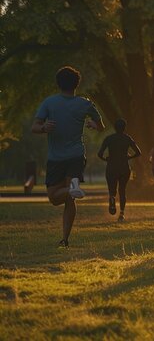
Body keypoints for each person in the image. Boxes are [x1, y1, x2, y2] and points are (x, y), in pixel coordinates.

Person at [31, 66, 105, 248]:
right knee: (57, 197)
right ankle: (73, 189)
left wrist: (42, 128)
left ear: (58, 83)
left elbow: (34, 127)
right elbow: (101, 125)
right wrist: (93, 125)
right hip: (63, 157)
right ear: (76, 84)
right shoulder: (81, 103)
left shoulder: (53, 102)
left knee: (61, 198)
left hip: (70, 156)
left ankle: (65, 239)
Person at [98, 119, 142, 221]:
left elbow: (99, 154)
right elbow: (138, 152)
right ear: (124, 128)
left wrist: (106, 159)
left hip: (111, 167)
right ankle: (122, 213)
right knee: (122, 190)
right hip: (124, 167)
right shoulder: (127, 138)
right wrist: (128, 157)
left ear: (115, 127)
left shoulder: (109, 139)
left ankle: (112, 198)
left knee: (112, 190)